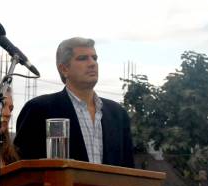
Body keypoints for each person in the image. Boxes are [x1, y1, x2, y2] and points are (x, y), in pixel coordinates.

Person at [14, 37, 134, 167]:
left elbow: (128, 170)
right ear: (64, 69)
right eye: (83, 58)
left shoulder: (117, 114)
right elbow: (25, 169)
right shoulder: (39, 109)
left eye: (94, 58)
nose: (92, 63)